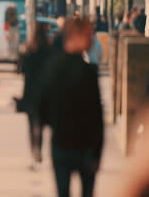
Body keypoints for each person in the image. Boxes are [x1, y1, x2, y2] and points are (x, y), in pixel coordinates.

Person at [38, 16, 104, 197]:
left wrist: (56, 123)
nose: (92, 39)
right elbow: (96, 115)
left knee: (62, 192)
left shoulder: (52, 67)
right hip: (86, 146)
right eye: (89, 35)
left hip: (61, 142)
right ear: (77, 36)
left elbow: (41, 106)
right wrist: (98, 152)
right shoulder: (88, 72)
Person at [21, 22, 51, 171]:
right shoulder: (49, 51)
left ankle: (34, 152)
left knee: (32, 125)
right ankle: (38, 149)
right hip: (46, 93)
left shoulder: (29, 51)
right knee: (41, 124)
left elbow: (22, 69)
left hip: (31, 93)